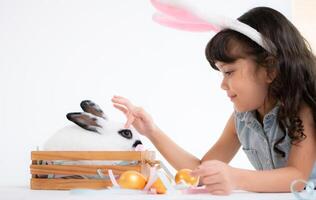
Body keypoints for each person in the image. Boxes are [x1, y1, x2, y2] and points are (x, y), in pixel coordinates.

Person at [111, 7, 316, 195]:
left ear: (270, 69)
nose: (223, 85)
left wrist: (235, 177)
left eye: (229, 72)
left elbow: (297, 178)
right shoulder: (241, 120)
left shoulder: (301, 109)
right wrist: (152, 131)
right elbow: (199, 172)